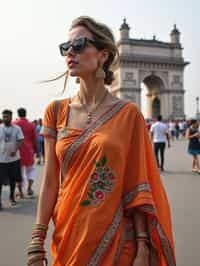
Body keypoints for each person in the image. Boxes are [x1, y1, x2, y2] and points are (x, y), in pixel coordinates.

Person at [27, 16, 175, 266]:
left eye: (79, 45)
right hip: (69, 232)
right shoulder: (55, 111)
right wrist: (37, 239)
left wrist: (142, 246)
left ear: (103, 55)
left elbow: (136, 183)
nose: (69, 53)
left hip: (117, 237)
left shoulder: (129, 115)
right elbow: (51, 180)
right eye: (66, 47)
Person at [0, 110, 24, 209]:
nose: (5, 118)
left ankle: (11, 197)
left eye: (7, 117)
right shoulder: (0, 128)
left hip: (14, 159)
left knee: (13, 180)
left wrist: (15, 149)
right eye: (4, 117)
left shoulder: (17, 128)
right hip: (1, 160)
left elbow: (21, 139)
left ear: (11, 117)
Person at [14, 108, 39, 197]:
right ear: (25, 114)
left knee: (18, 173)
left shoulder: (14, 124)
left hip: (17, 152)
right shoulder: (31, 125)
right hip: (29, 151)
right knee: (31, 170)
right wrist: (38, 151)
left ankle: (20, 191)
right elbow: (35, 139)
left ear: (18, 114)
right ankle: (29, 188)